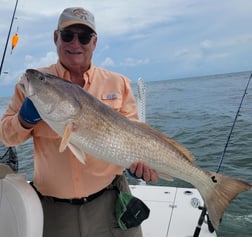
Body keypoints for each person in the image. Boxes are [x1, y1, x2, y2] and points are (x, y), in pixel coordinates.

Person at [0, 7, 159, 237]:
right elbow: (6, 135)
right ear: (56, 38)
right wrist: (23, 119)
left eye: (84, 37)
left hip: (111, 203)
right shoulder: (33, 85)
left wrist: (138, 166)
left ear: (94, 42)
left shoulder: (118, 83)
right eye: (68, 35)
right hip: (55, 211)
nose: (75, 43)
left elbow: (135, 135)